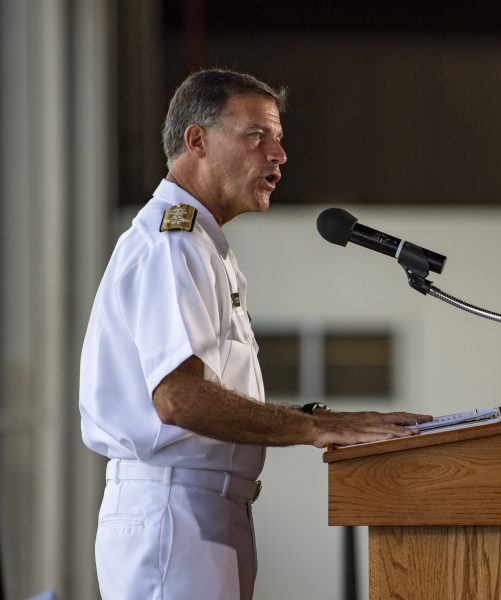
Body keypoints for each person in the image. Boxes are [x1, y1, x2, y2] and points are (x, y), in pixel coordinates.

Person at [79, 68, 431, 599]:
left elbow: (209, 392)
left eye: (279, 140)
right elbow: (178, 398)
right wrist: (317, 430)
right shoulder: (172, 242)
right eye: (257, 136)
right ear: (196, 140)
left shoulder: (203, 242)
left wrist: (306, 419)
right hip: (175, 513)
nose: (278, 155)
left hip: (207, 507)